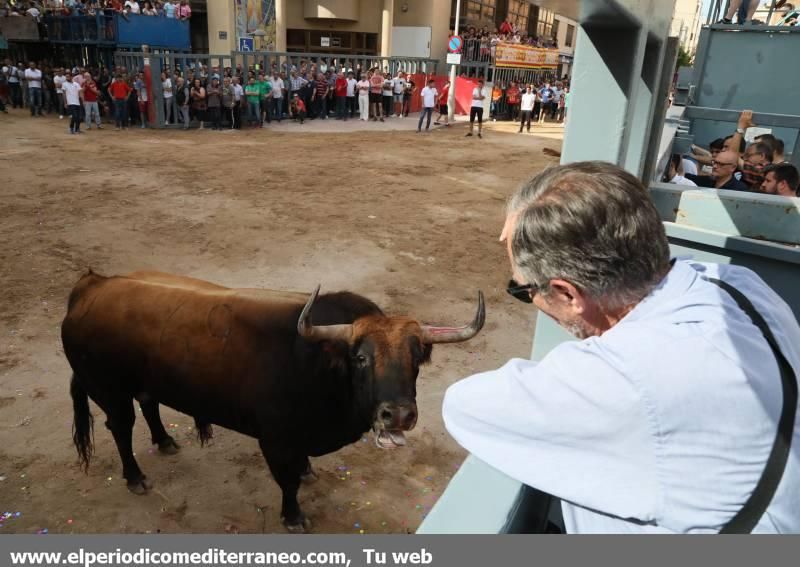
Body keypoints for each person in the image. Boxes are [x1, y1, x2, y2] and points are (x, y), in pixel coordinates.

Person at [443, 161, 800, 533]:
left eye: (523, 289)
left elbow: (463, 405)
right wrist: (527, 213)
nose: (527, 296)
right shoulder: (739, 285)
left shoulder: (622, 377)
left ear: (567, 294)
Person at [685, 149, 749, 191]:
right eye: (715, 162)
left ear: (733, 167)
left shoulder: (739, 189)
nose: (715, 166)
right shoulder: (707, 180)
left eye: (721, 164)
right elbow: (685, 177)